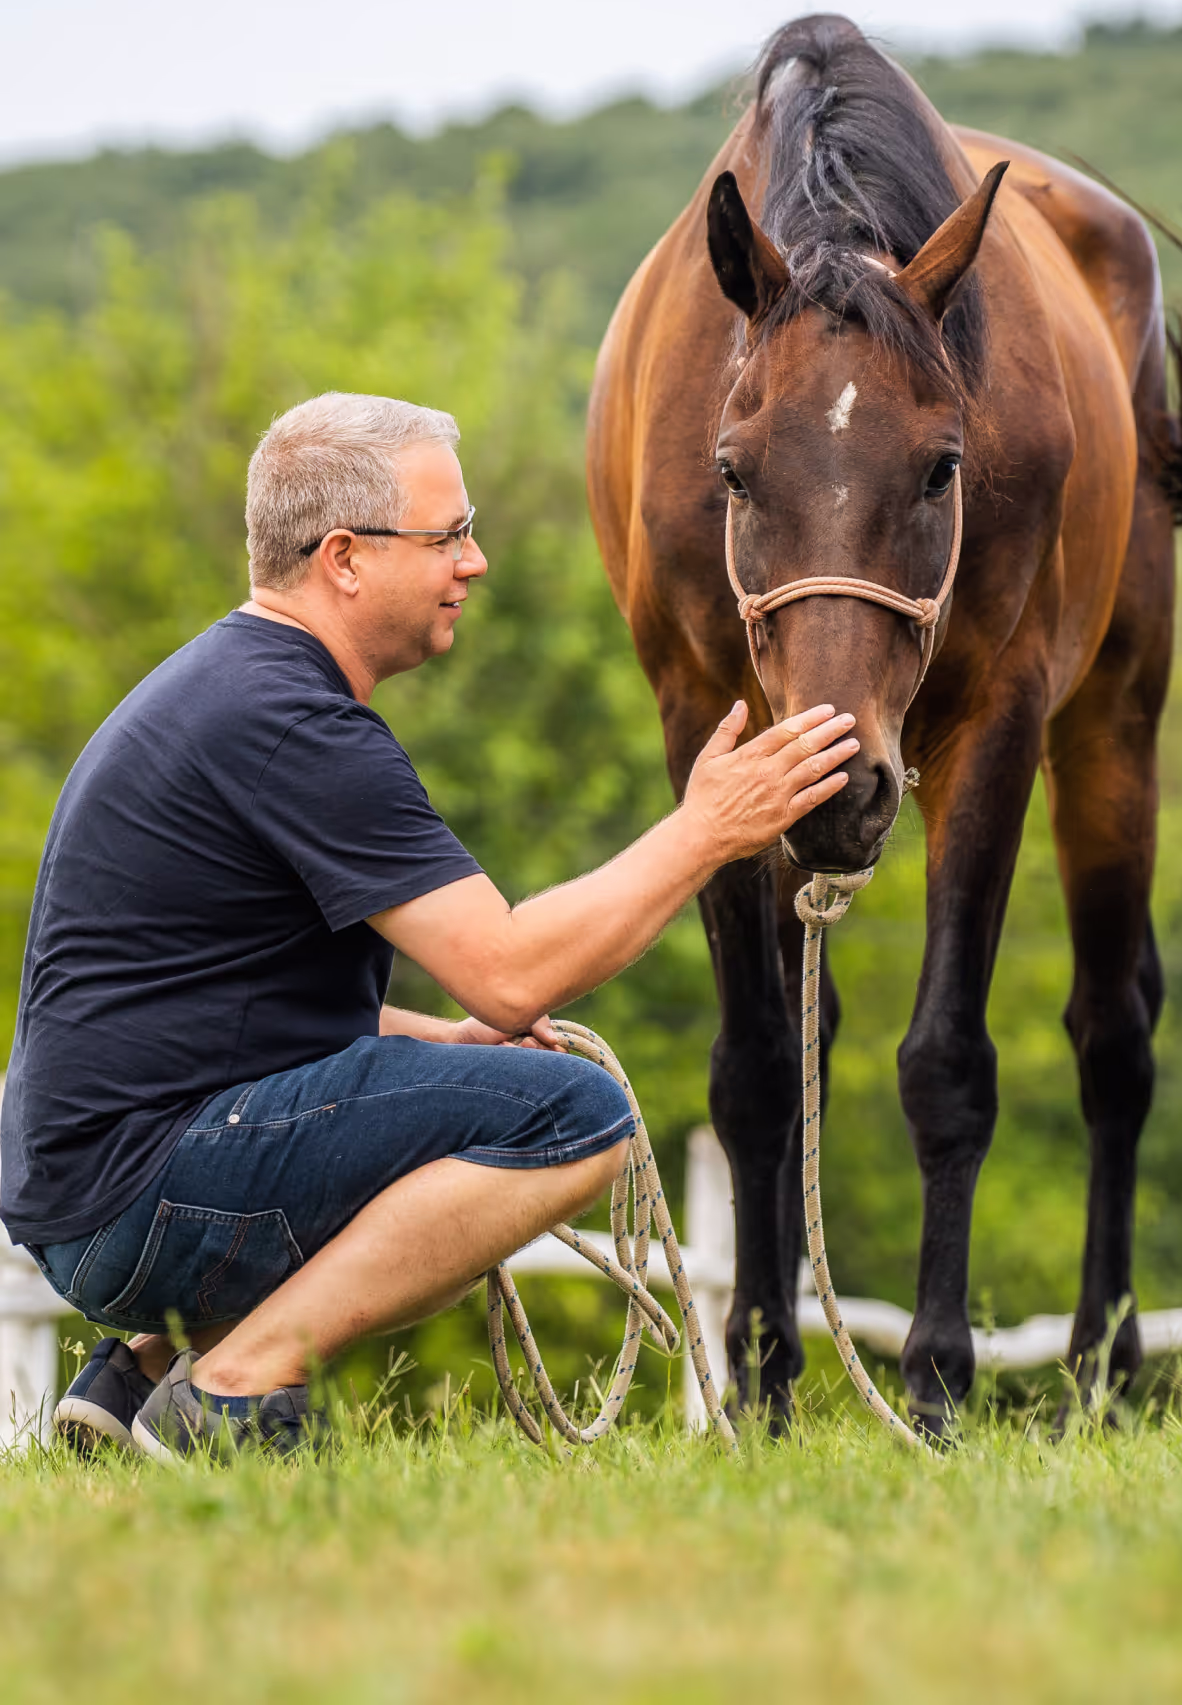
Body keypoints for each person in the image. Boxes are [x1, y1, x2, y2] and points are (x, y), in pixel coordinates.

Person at [2, 392, 859, 1460]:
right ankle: (230, 1386)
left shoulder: (225, 689)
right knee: (572, 1120)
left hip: (79, 1196)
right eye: (448, 534)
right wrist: (708, 832)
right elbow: (507, 974)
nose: (477, 560)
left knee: (474, 1097)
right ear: (347, 559)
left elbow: (227, 1003)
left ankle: (130, 1382)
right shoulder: (294, 725)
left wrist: (443, 1048)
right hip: (140, 1196)